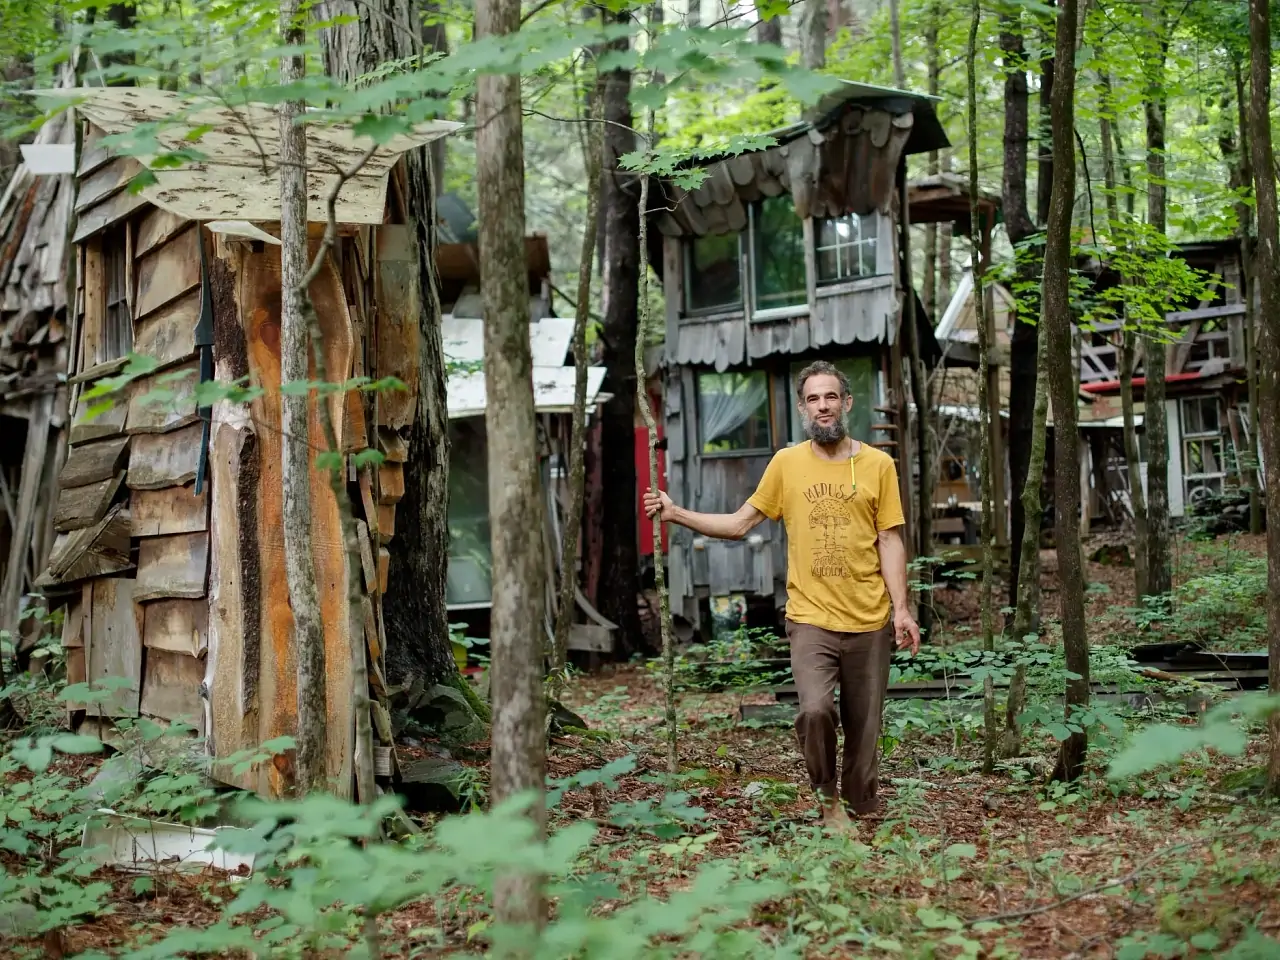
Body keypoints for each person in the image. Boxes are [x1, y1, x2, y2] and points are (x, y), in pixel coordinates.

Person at [643, 360, 920, 829]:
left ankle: (859, 813)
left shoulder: (877, 465)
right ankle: (827, 799)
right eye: (813, 399)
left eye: (831, 396)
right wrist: (676, 514)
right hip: (810, 618)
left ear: (847, 403)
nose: (823, 406)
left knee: (865, 730)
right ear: (802, 408)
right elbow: (739, 523)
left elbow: (890, 539)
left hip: (869, 620)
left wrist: (901, 609)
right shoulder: (787, 464)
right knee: (814, 710)